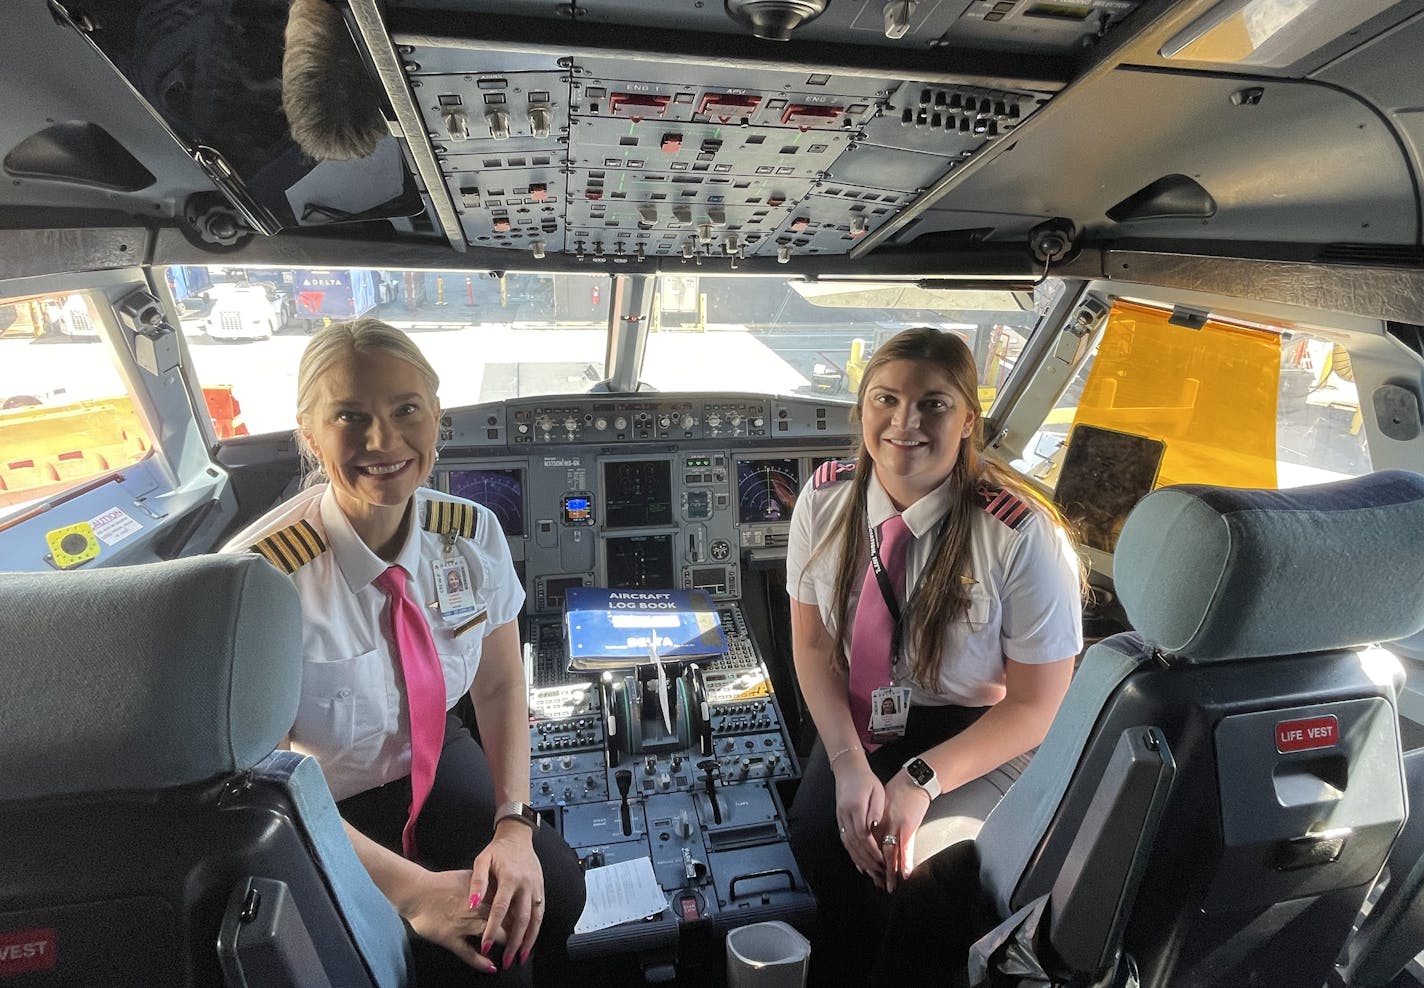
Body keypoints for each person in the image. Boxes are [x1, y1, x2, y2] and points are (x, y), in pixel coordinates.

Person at [223, 318, 584, 985]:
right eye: (350, 417)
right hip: (317, 801)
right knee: (487, 953)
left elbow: (500, 688)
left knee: (553, 888)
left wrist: (513, 826)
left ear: (436, 416)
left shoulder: (472, 534)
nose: (382, 442)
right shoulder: (260, 580)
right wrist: (414, 892)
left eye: (406, 410)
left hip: (434, 755)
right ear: (309, 432)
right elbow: (256, 776)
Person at [784, 327, 1083, 985]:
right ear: (862, 409)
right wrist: (848, 764)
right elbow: (810, 646)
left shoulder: (1021, 535)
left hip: (979, 731)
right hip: (861, 715)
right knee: (817, 833)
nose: (904, 422)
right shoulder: (824, 499)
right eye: (885, 399)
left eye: (933, 404)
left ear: (969, 418)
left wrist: (920, 780)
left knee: (915, 871)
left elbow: (1039, 707)